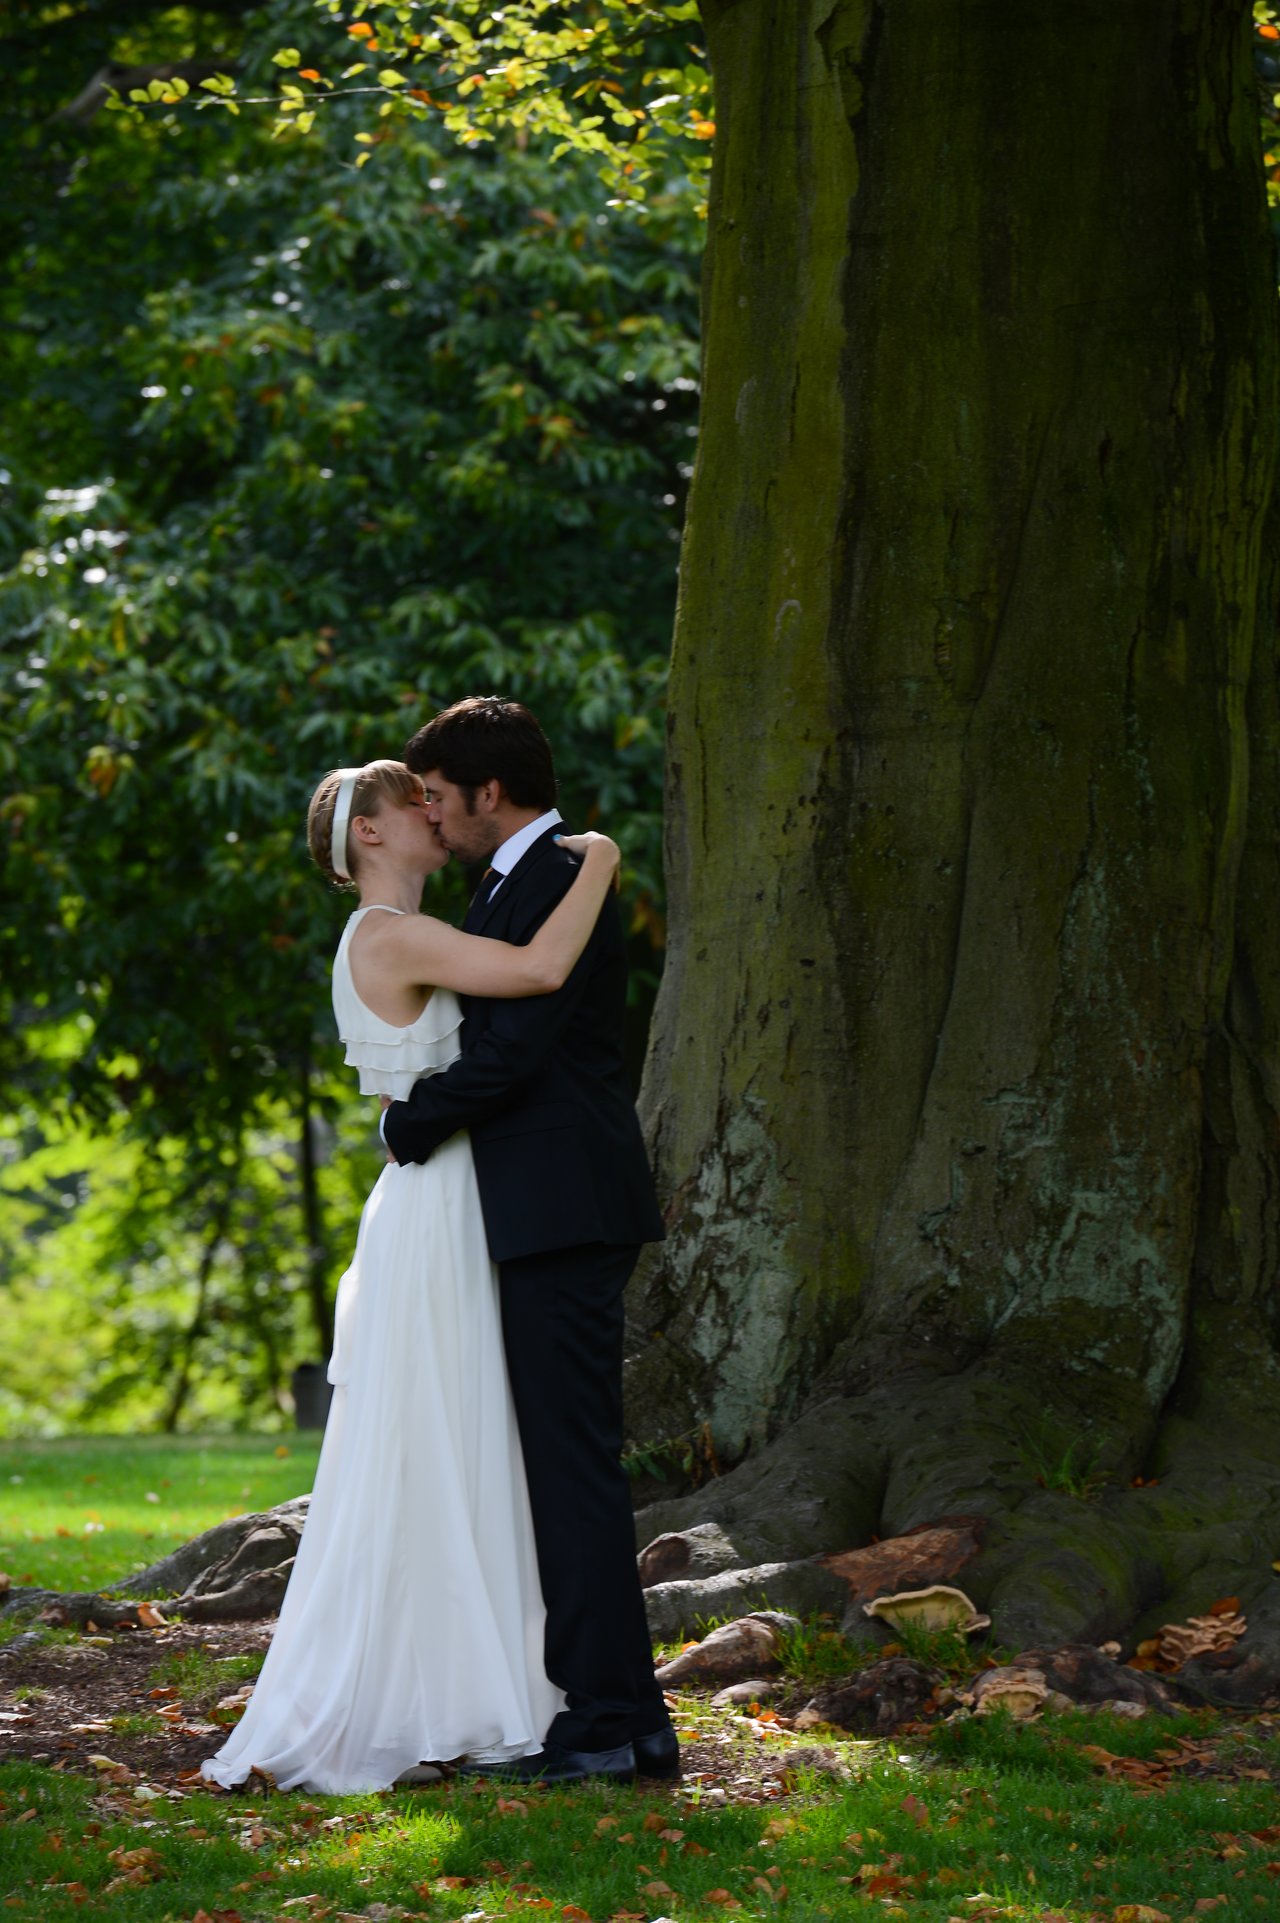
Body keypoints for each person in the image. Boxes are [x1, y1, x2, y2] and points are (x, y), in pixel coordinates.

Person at [201, 758, 623, 1795]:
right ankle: (447, 1691)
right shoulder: (391, 935)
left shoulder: (404, 931)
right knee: (446, 1437)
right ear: (372, 837)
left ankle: (479, 1681)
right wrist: (603, 865)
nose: (433, 815)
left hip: (441, 1198)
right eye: (410, 804)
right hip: (438, 1205)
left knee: (464, 1436)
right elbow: (533, 974)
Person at [381, 696, 675, 1787]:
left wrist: (403, 1124)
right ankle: (630, 1720)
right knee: (567, 1468)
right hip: (545, 1201)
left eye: (439, 798)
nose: (433, 819)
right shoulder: (509, 881)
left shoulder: (552, 872)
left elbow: (513, 1054)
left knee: (569, 1470)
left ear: (486, 791)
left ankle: (599, 1721)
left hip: (563, 1203)